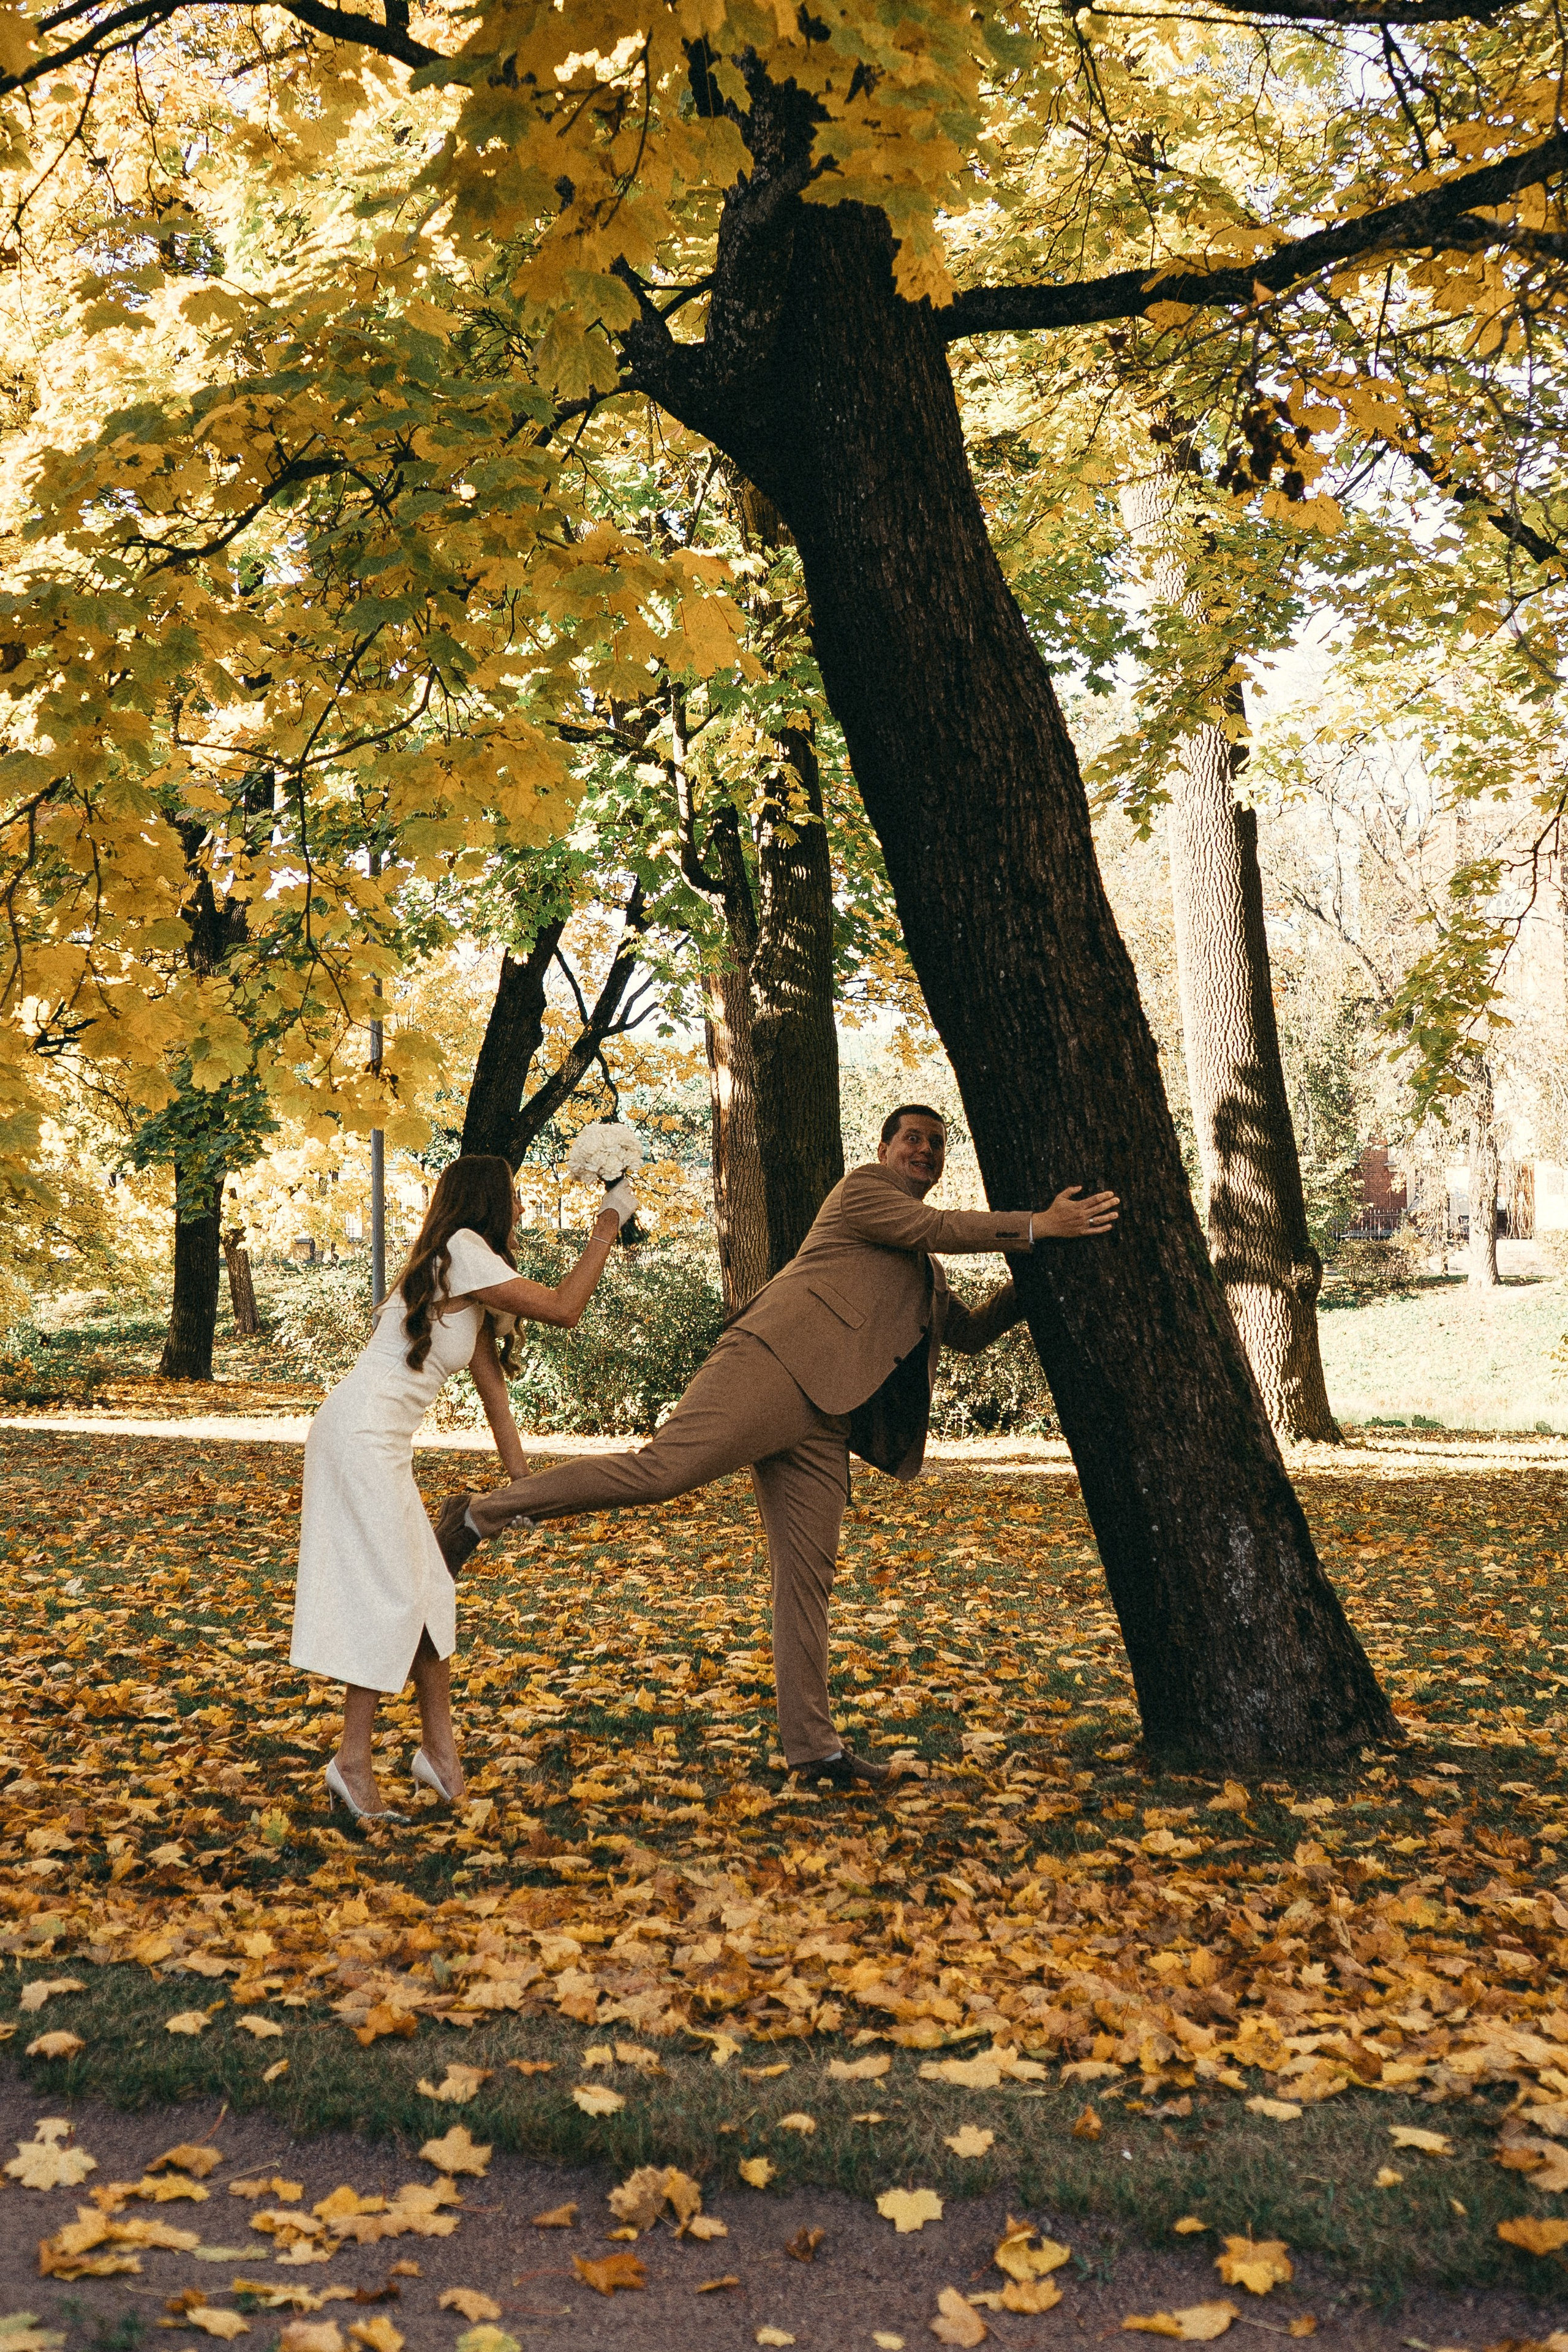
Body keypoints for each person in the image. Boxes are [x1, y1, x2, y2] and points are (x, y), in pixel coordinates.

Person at [438, 1107, 1118, 1787]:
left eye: (937, 1144)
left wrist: (1038, 1278)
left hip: (828, 1422)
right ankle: (480, 1513)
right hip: (768, 1365)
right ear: (882, 1149)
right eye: (912, 1138)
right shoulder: (863, 1193)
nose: (925, 1150)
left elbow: (965, 1333)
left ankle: (814, 1752)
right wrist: (1037, 1225)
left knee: (806, 1582)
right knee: (661, 1471)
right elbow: (937, 1224)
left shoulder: (927, 1273)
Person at [291, 1152, 633, 1822]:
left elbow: (495, 1397)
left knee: (430, 1592)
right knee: (394, 1594)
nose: (524, 1208)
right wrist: (607, 1225)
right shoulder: (463, 1247)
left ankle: (438, 1757)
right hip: (358, 1437)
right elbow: (566, 1309)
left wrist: (523, 1489)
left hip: (372, 1438)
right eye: (514, 1195)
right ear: (486, 1201)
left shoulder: (466, 1276)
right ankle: (352, 1763)